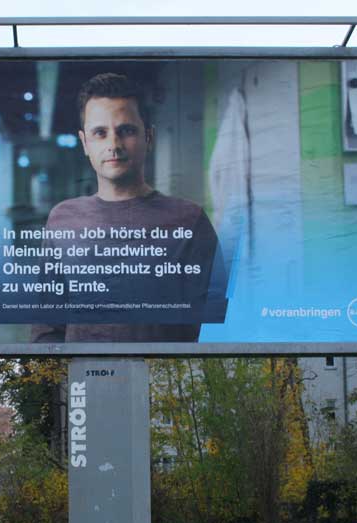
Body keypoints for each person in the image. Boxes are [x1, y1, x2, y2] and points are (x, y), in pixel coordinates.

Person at [31, 73, 223, 343]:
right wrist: (53, 383)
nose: (113, 145)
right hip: (80, 384)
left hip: (164, 383)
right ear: (85, 143)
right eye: (100, 133)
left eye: (127, 130)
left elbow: (216, 329)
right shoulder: (63, 219)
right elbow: (47, 327)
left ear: (149, 137)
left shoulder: (189, 221)